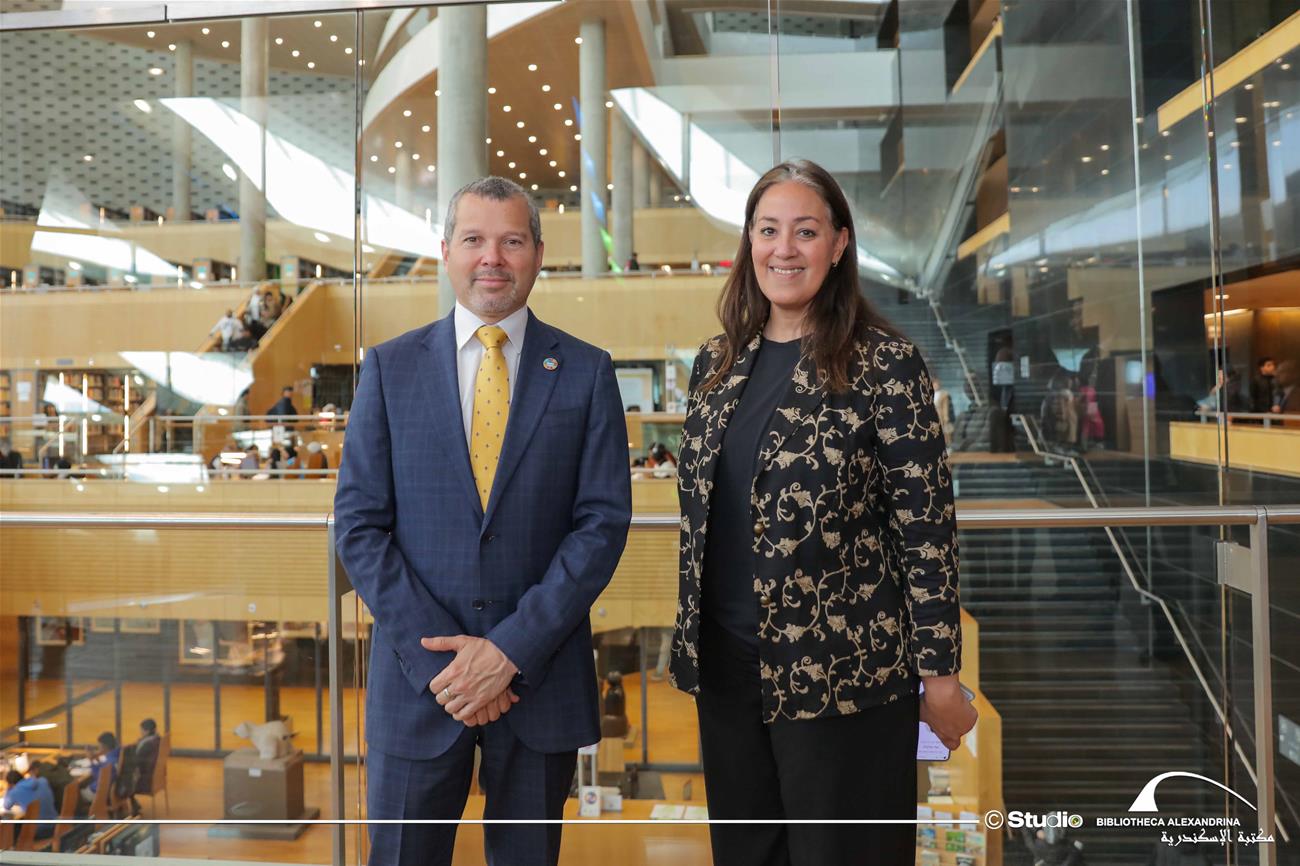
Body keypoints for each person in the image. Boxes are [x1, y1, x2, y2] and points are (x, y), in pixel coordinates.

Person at [669, 159, 975, 866]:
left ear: (838, 244)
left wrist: (940, 676)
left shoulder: (885, 363)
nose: (784, 248)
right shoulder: (716, 363)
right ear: (749, 241)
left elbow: (927, 533)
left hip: (846, 675)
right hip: (727, 673)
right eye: (768, 230)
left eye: (805, 231)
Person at [334, 175, 632, 866]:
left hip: (538, 683)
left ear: (538, 254)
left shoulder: (586, 372)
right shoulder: (389, 368)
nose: (491, 257)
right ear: (446, 252)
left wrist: (508, 653)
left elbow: (601, 524)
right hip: (419, 685)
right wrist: (448, 665)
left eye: (511, 241)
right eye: (474, 239)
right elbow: (358, 525)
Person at [3, 769, 56, 839]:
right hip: (55, 824)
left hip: (39, 831)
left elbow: (6, 806)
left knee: (13, 828)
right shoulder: (43, 781)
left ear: (11, 784)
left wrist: (8, 789)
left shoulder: (15, 792)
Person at [81, 731, 120, 807]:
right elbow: (103, 770)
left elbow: (99, 777)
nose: (98, 748)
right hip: (113, 790)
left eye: (99, 746)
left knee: (73, 791)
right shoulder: (117, 755)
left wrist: (91, 760)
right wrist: (95, 758)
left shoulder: (109, 762)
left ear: (104, 746)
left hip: (100, 793)